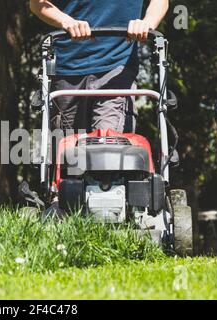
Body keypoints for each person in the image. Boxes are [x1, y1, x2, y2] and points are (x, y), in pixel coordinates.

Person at [30, 0, 169, 215]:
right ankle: (66, 215)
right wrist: (67, 22)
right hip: (68, 68)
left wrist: (147, 23)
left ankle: (114, 220)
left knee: (109, 145)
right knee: (69, 157)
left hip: (117, 67)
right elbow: (37, 4)